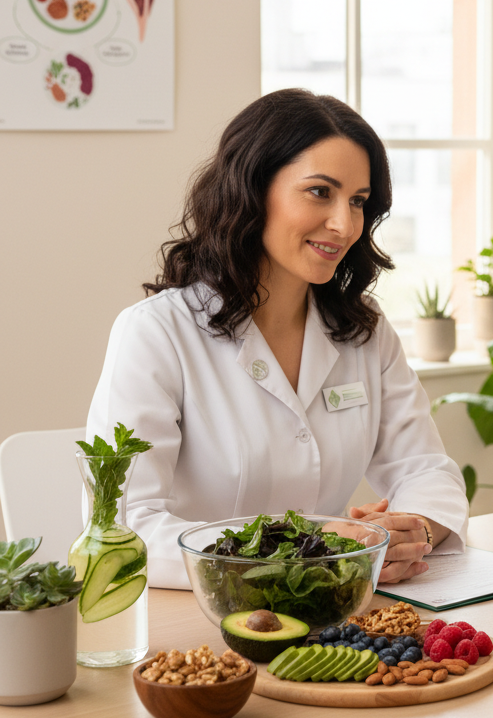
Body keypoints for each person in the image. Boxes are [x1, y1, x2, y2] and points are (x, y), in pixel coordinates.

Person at [87, 89, 470, 592]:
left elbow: (426, 468)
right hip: (200, 611)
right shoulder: (156, 332)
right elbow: (122, 526)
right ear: (252, 190)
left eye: (358, 201)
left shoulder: (365, 328)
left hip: (332, 606)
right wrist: (304, 552)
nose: (344, 224)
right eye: (320, 192)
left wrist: (412, 530)